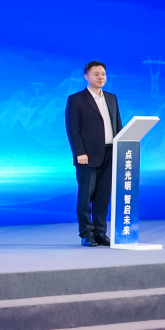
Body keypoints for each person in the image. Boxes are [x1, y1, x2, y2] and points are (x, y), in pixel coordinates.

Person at [65, 61, 122, 247]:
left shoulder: (112, 98)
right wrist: (79, 152)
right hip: (87, 156)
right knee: (85, 197)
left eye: (103, 74)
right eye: (96, 74)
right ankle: (86, 234)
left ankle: (100, 233)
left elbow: (118, 125)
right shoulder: (76, 99)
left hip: (110, 153)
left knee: (103, 197)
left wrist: (121, 147)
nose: (101, 77)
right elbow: (73, 129)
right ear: (86, 76)